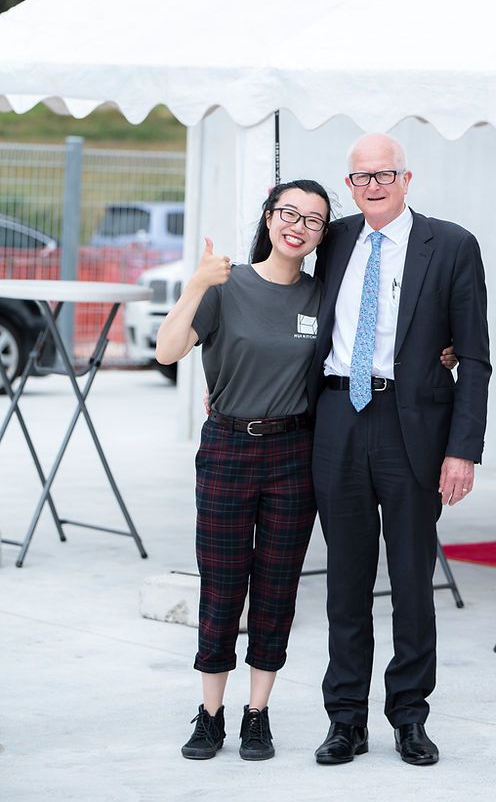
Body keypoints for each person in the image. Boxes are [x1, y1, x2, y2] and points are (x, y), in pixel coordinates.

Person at [310, 133, 491, 767]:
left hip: (412, 426)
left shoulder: (452, 245)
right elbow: (280, 299)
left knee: (412, 580)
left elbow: (472, 356)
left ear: (407, 179)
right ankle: (345, 720)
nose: (374, 185)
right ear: (350, 184)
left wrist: (462, 449)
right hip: (337, 417)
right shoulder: (332, 240)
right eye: (361, 177)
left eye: (386, 174)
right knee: (345, 582)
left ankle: (409, 717)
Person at [155, 179, 331, 763]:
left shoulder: (321, 297)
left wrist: (445, 351)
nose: (298, 225)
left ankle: (258, 713)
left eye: (313, 220)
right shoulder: (227, 286)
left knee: (277, 585)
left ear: (321, 235)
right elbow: (166, 350)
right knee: (223, 582)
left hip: (293, 454)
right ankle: (210, 714)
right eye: (289, 212)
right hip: (230, 446)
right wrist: (197, 284)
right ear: (269, 217)